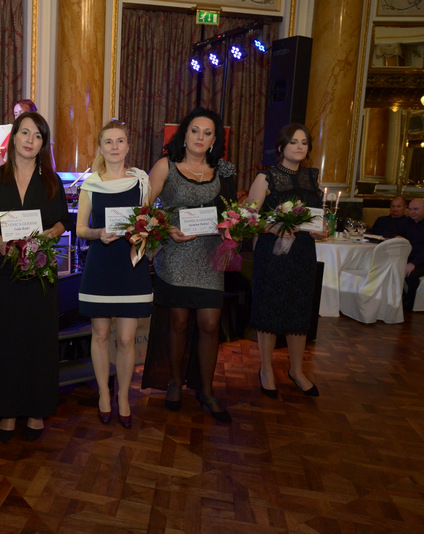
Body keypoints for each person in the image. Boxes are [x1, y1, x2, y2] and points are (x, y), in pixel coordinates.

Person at [0, 112, 73, 441]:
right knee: (5, 339)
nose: (30, 140)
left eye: (38, 135)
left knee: (38, 339)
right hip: (4, 269)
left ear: (43, 143)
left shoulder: (51, 180)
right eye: (25, 133)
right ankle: (6, 410)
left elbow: (63, 221)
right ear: (14, 137)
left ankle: (36, 410)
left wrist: (48, 235)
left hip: (40, 270)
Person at [141, 107, 237, 423]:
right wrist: (167, 228)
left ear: (214, 140)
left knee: (210, 323)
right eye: (195, 130)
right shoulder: (165, 165)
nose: (200, 137)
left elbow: (232, 213)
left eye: (207, 133)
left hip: (210, 256)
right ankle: (174, 383)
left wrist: (231, 227)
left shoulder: (225, 171)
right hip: (175, 254)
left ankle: (206, 391)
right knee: (179, 322)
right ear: (184, 134)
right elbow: (144, 209)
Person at [76, 120, 152, 428]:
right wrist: (98, 233)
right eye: (108, 142)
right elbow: (80, 229)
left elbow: (148, 223)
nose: (115, 146)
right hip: (101, 264)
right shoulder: (91, 184)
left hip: (131, 265)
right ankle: (104, 395)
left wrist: (143, 233)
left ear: (128, 146)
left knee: (126, 338)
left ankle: (123, 397)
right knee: (100, 334)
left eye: (120, 140)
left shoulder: (141, 182)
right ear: (101, 148)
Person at [247, 123, 327, 398]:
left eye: (304, 142)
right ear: (281, 147)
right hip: (272, 253)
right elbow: (247, 219)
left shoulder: (311, 178)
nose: (300, 147)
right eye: (294, 142)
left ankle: (297, 371)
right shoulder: (266, 177)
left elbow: (316, 216)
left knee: (299, 310)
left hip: (303, 253)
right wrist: (273, 227)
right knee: (269, 310)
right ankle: (266, 369)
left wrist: (321, 228)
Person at [0, 99, 38, 166]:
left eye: (22, 113)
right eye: (16, 114)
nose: (18, 117)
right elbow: (3, 167)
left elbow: (50, 165)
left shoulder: (40, 136)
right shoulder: (12, 136)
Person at [402, 198, 424, 311]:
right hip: (410, 258)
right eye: (410, 209)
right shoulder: (408, 222)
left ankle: (408, 306)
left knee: (411, 275)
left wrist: (413, 263)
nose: (412, 212)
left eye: (416, 209)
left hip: (421, 260)